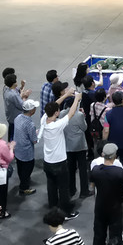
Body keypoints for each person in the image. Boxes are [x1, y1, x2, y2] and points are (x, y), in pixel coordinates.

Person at [39, 90, 82, 220]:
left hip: (48, 162)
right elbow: (71, 113)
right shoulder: (57, 125)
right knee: (63, 188)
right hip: (59, 162)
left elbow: (53, 105)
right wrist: (76, 99)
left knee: (51, 187)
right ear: (57, 113)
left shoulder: (44, 120)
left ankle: (53, 209)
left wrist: (66, 95)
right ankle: (66, 212)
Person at [64, 94, 90, 199]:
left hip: (68, 145)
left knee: (71, 169)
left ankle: (71, 189)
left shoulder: (62, 114)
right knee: (83, 169)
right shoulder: (79, 115)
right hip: (79, 145)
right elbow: (84, 127)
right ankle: (84, 191)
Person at [14, 99, 40, 195]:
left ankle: (23, 180)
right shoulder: (30, 124)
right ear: (31, 110)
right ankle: (24, 188)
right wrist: (36, 133)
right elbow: (34, 140)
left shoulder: (17, 118)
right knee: (27, 169)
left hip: (17, 149)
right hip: (26, 152)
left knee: (20, 167)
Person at [3, 72, 30, 142]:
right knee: (14, 135)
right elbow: (22, 105)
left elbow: (17, 90)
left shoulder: (6, 88)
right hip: (15, 118)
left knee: (11, 132)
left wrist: (22, 87)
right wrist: (25, 97)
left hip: (10, 116)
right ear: (14, 83)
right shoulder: (13, 95)